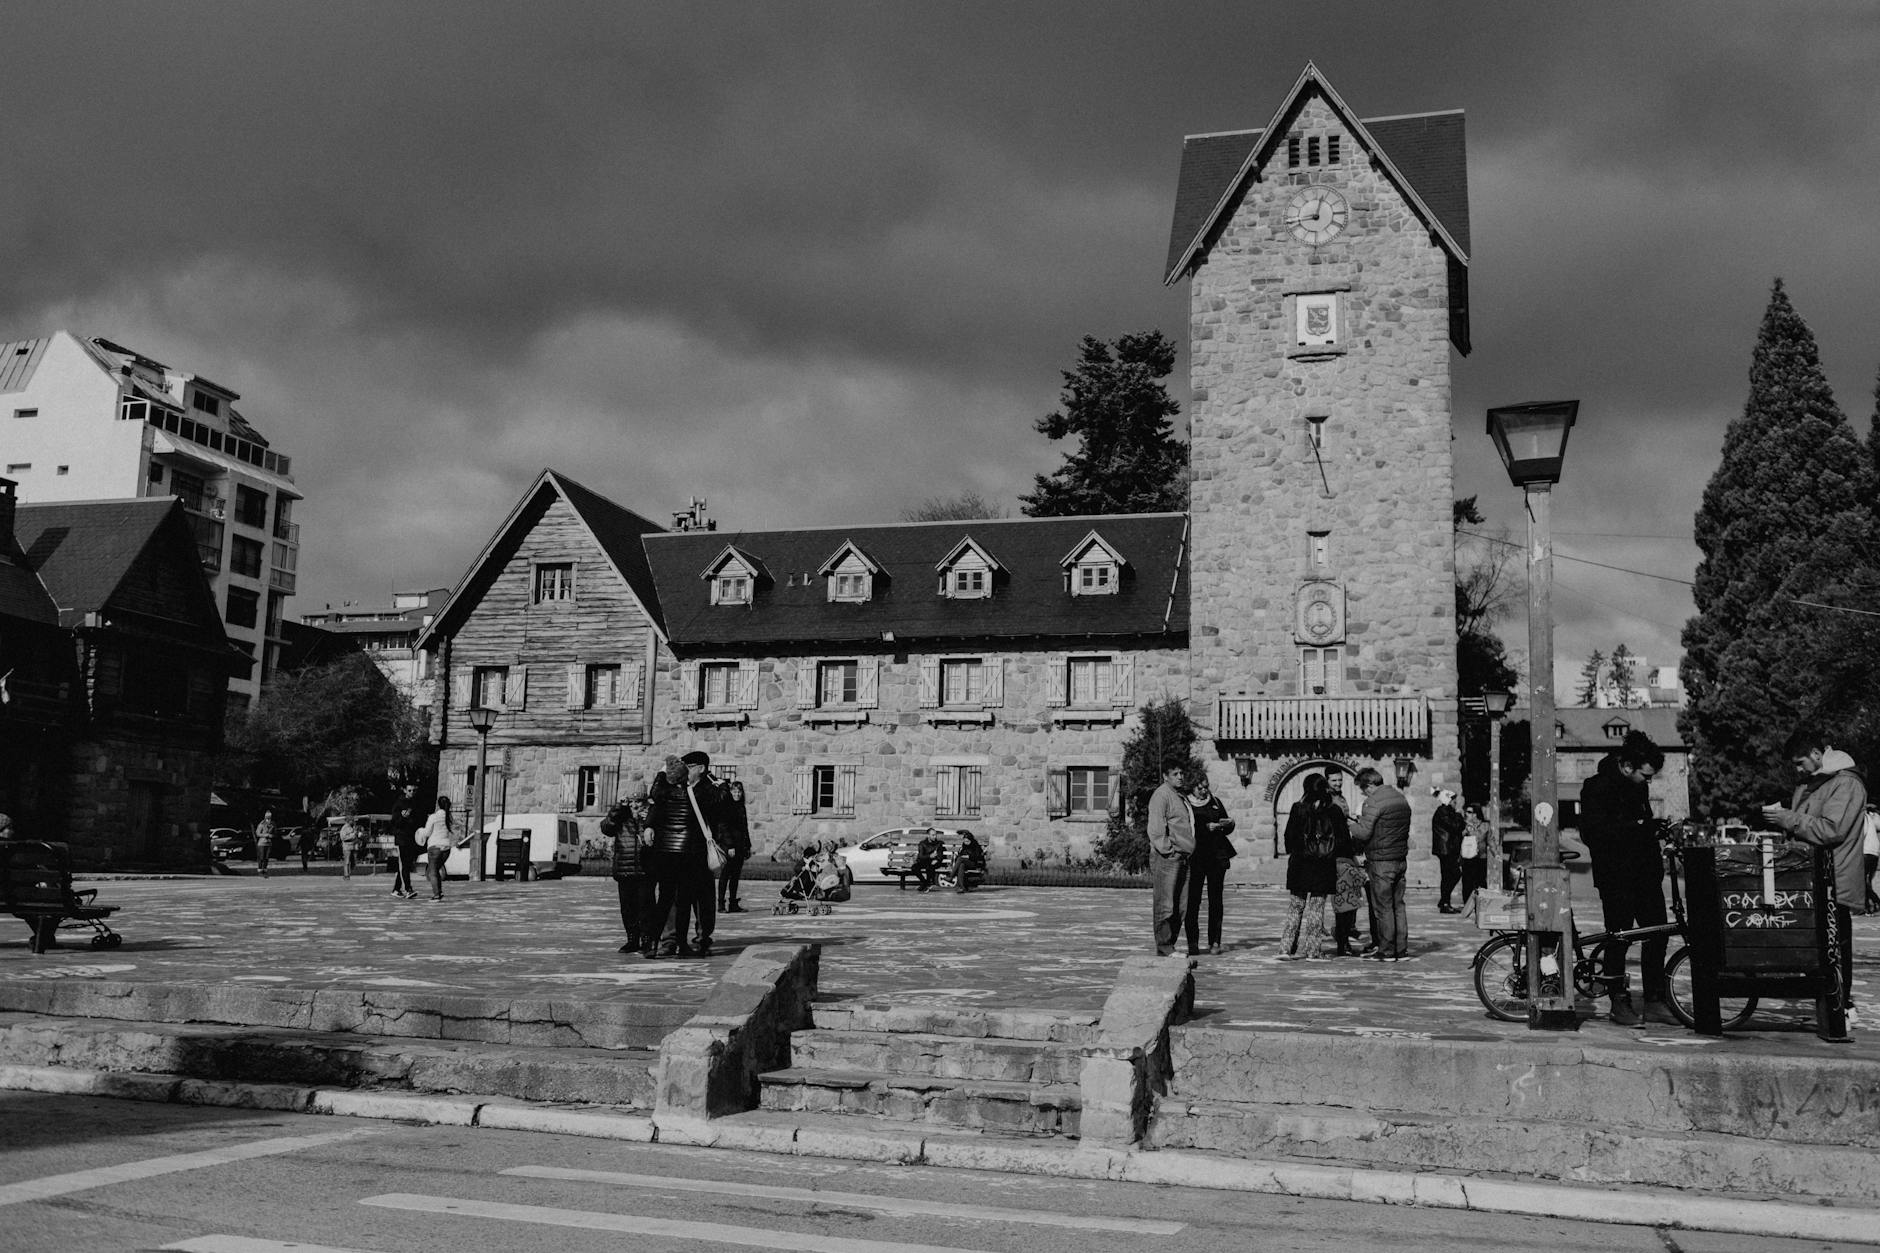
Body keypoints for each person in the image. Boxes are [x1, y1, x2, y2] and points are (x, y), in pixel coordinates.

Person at [1761, 727, 1869, 1029]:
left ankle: (1843, 1006)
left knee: (1835, 948)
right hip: (1813, 880)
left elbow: (1831, 830)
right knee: (1820, 948)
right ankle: (1834, 1006)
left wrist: (1788, 819)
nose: (1797, 770)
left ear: (1817, 754)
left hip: (1835, 880)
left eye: (1800, 763)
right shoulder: (1813, 783)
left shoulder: (1845, 783)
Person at [1580, 730, 1670, 1027]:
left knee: (1657, 932)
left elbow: (1641, 826)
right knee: (1619, 938)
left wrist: (1652, 829)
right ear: (1628, 766)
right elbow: (1593, 834)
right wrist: (1641, 826)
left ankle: (1656, 1000)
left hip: (1645, 875)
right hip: (1616, 877)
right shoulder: (1596, 787)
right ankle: (1619, 1002)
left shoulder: (1638, 787)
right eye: (1646, 775)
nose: (1649, 782)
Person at [645, 751, 722, 957]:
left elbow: (654, 792)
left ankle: (652, 944)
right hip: (689, 854)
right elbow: (720, 798)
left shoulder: (664, 793)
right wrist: (718, 780)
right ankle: (680, 945)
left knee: (665, 900)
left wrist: (663, 772)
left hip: (667, 854)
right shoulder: (698, 794)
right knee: (684, 903)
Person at [1350, 766, 1412, 960]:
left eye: (1362, 788)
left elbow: (1364, 832)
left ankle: (1386, 950)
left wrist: (1351, 825)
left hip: (1380, 862)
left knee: (1383, 908)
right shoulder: (1400, 798)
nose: (1362, 792)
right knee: (1398, 907)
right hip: (1400, 859)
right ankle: (1401, 950)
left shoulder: (1373, 802)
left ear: (1369, 785)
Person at [1279, 773, 1342, 960]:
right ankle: (1313, 950)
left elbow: (1288, 838)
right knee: (1317, 908)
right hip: (1323, 866)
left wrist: (1297, 851)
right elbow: (1342, 839)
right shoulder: (1334, 810)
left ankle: (1286, 947)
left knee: (1296, 906)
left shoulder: (1298, 808)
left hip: (1300, 864)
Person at [1183, 775, 1237, 955]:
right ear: (1192, 788)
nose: (1204, 790)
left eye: (1206, 787)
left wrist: (1228, 824)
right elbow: (1185, 828)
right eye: (1200, 788)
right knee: (1193, 900)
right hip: (1197, 856)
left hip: (1217, 856)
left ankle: (1215, 941)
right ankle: (1193, 942)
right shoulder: (1187, 805)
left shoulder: (1215, 801)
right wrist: (1206, 828)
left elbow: (1225, 822)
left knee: (1216, 900)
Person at [1146, 764, 1194, 956]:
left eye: (1182, 773)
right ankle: (1164, 946)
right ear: (1166, 776)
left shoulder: (1179, 795)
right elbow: (1156, 828)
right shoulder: (1161, 795)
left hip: (1183, 857)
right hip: (1168, 857)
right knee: (1165, 904)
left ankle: (1170, 945)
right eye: (1175, 774)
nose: (1180, 777)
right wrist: (1169, 850)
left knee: (1181, 905)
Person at [600, 787, 653, 953]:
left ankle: (647, 939)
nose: (635, 805)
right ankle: (632, 938)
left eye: (639, 802)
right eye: (632, 802)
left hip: (646, 869)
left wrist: (649, 819)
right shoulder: (621, 816)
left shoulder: (651, 816)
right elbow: (606, 828)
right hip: (625, 868)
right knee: (628, 907)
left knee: (646, 906)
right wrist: (617, 809)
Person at [1330, 790, 1368, 957]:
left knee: (1348, 905)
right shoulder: (1341, 825)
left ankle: (1344, 937)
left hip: (1349, 865)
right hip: (1342, 864)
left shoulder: (1350, 826)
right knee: (1345, 905)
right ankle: (1342, 940)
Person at [716, 780, 752, 913]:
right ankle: (720, 903)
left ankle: (733, 903)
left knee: (736, 876)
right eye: (735, 791)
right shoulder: (727, 807)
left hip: (740, 844)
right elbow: (723, 827)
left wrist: (747, 845)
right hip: (729, 845)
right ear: (730, 792)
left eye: (739, 791)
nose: (737, 794)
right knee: (725, 874)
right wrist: (730, 845)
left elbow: (744, 828)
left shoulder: (741, 807)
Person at [1432, 790, 1467, 913]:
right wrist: (1459, 816)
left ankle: (1445, 901)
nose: (1455, 802)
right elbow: (1456, 826)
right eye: (1453, 800)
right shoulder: (1443, 812)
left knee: (1448, 875)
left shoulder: (1446, 812)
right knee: (1453, 874)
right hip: (1446, 849)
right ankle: (1445, 902)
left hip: (1448, 849)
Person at [389, 784, 422, 900]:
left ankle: (396, 889)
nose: (412, 792)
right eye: (409, 790)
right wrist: (402, 817)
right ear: (404, 790)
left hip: (411, 838)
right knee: (404, 864)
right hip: (402, 838)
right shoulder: (399, 803)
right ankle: (408, 889)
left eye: (414, 790)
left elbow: (419, 820)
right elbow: (394, 822)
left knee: (406, 865)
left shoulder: (416, 803)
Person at [420, 796, 454, 901]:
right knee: (436, 869)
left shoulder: (433, 817)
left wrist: (420, 831)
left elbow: (427, 832)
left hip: (435, 847)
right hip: (447, 848)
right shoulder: (449, 817)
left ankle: (437, 895)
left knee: (432, 871)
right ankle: (439, 892)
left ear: (438, 804)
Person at [1459, 803, 1491, 908]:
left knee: (1480, 880)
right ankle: (1467, 904)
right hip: (1468, 857)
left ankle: (1481, 903)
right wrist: (1466, 828)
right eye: (1466, 812)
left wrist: (1472, 829)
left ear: (1475, 814)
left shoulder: (1485, 825)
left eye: (1469, 812)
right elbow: (1460, 836)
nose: (1467, 814)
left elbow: (1480, 837)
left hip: (1481, 857)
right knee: (1467, 881)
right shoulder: (1465, 825)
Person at [1863, 804, 1879, 915]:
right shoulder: (1871, 818)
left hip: (1866, 851)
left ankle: (1870, 905)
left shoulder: (1863, 817)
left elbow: (1862, 833)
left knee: (1862, 881)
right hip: (1875, 852)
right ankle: (1871, 904)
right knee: (1866, 880)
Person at [340, 816, 365, 881]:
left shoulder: (353, 827)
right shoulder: (344, 828)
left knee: (354, 862)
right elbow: (343, 837)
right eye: (352, 820)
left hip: (353, 847)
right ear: (349, 821)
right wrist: (353, 835)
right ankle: (346, 875)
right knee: (347, 861)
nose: (354, 822)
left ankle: (349, 873)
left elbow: (356, 836)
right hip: (347, 847)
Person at [254, 810, 276, 877]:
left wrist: (272, 835)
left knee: (266, 857)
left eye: (270, 817)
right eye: (267, 817)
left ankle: (265, 869)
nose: (269, 819)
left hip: (269, 843)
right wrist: (265, 835)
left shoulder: (273, 824)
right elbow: (257, 833)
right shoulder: (261, 824)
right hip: (262, 843)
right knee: (261, 857)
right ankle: (260, 869)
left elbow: (275, 833)